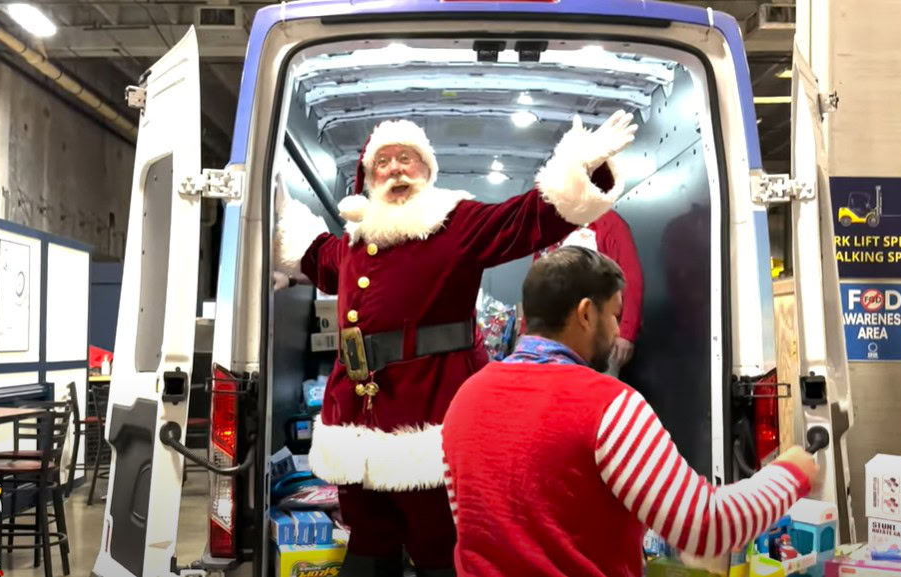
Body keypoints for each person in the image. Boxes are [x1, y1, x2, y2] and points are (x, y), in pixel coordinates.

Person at [273, 111, 639, 577]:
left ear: (427, 171)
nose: (396, 169)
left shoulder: (455, 223)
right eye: (383, 162)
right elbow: (312, 252)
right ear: (367, 179)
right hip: (353, 426)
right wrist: (282, 211)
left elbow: (527, 219)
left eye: (407, 158)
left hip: (429, 421)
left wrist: (579, 173)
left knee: (440, 551)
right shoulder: (353, 243)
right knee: (368, 546)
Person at [441, 246, 819, 577]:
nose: (619, 329)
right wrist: (792, 473)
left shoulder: (464, 399)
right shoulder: (608, 404)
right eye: (616, 316)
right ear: (586, 313)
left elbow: (470, 525)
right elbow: (707, 528)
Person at [531, 209, 644, 373]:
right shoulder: (549, 227)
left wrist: (627, 332)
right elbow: (537, 285)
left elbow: (632, 280)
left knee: (599, 392)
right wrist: (527, 329)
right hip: (554, 337)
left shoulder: (609, 223)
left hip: (599, 337)